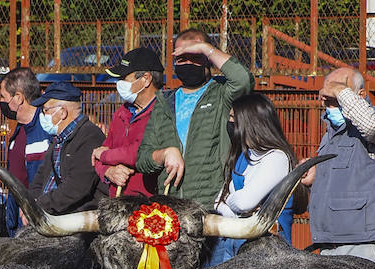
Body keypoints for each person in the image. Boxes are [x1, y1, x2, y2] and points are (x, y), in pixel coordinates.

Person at [301, 65, 375, 269]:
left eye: (335, 95)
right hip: (330, 243)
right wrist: (316, 174)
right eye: (326, 96)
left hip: (364, 244)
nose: (327, 102)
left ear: (360, 95)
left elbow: (371, 127)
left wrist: (341, 92)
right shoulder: (331, 134)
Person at [134, 30, 252, 208]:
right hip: (171, 206)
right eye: (182, 57)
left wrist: (206, 48)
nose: (188, 62)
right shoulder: (164, 101)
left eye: (195, 56)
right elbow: (143, 159)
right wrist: (165, 153)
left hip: (212, 206)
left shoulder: (221, 93)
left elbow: (243, 80)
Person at [206, 93, 302, 266]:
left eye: (233, 118)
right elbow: (217, 204)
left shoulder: (277, 157)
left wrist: (230, 201)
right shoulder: (243, 154)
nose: (230, 123)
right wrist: (240, 212)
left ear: (248, 121)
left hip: (267, 250)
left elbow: (244, 203)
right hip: (231, 242)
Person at [92, 47, 163, 198]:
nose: (119, 83)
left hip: (149, 205)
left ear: (146, 79)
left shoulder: (163, 112)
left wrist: (104, 155)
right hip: (118, 202)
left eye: (124, 78)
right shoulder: (122, 112)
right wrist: (108, 171)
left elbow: (138, 152)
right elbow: (99, 155)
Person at [28, 81, 105, 213]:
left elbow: (77, 187)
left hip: (77, 218)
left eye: (45, 110)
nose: (43, 115)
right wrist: (32, 202)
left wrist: (40, 206)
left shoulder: (89, 136)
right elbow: (41, 176)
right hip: (51, 214)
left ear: (62, 112)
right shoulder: (58, 139)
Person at [0, 67, 46, 232]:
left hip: (35, 216)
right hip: (18, 213)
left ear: (18, 97)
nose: (1, 102)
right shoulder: (20, 129)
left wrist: (33, 206)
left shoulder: (45, 129)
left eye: (3, 97)